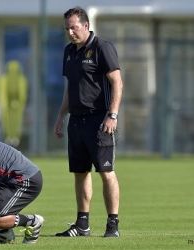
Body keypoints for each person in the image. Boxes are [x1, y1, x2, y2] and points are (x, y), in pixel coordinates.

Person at [53, 6, 123, 238]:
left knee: (106, 171)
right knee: (80, 173)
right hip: (76, 121)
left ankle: (112, 225)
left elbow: (117, 82)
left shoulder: (102, 47)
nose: (71, 32)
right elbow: (69, 88)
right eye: (67, 29)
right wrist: (61, 116)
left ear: (85, 25)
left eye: (74, 27)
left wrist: (112, 114)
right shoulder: (69, 52)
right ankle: (82, 225)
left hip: (100, 120)